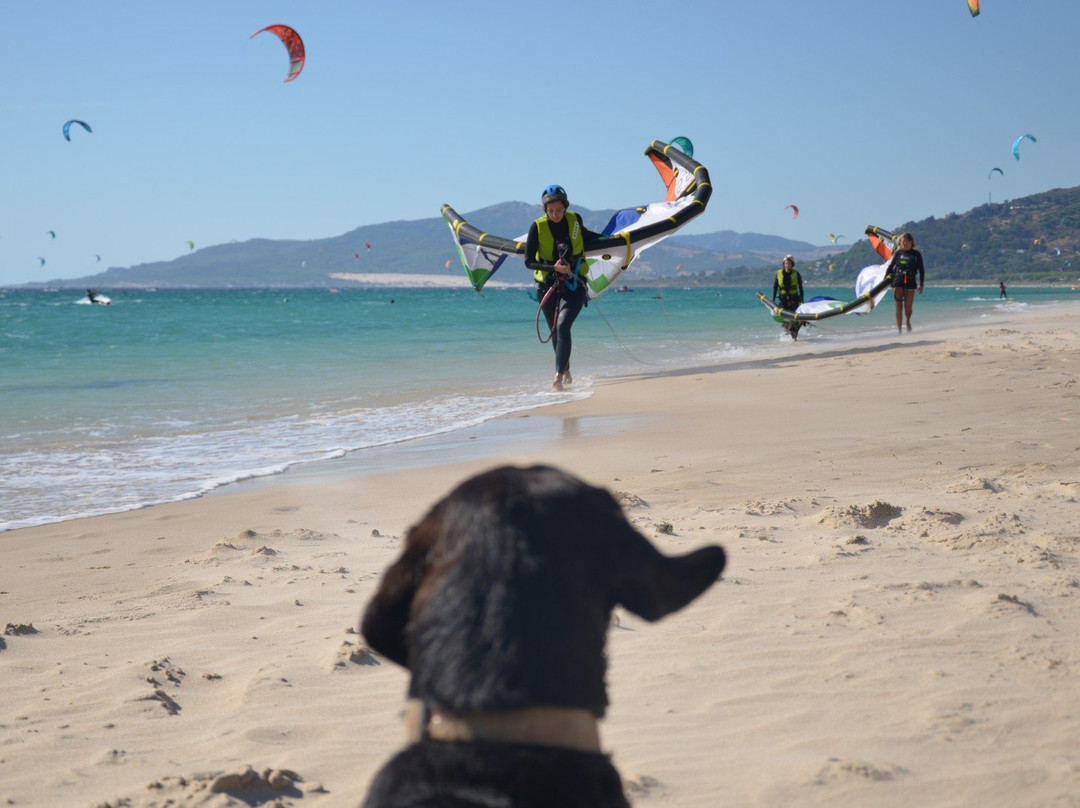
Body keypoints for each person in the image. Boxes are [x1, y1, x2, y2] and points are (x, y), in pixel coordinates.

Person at [524, 185, 600, 391]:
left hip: (574, 284)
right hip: (547, 285)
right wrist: (553, 267)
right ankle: (566, 370)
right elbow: (528, 261)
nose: (555, 214)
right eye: (551, 211)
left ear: (565, 207)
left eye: (559, 210)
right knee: (555, 332)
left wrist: (614, 237)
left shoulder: (575, 220)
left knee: (563, 326)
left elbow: (586, 236)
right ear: (545, 210)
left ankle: (557, 376)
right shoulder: (537, 227)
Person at [885, 232, 925, 333]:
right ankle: (899, 330)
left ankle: (907, 320)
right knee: (898, 306)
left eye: (905, 242)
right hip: (898, 280)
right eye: (902, 242)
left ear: (911, 242)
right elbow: (891, 267)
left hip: (910, 281)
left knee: (908, 308)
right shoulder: (898, 253)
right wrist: (885, 279)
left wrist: (921, 284)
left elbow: (921, 270)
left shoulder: (916, 254)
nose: (903, 244)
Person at [771, 254, 805, 340]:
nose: (787, 265)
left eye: (789, 263)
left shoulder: (796, 274)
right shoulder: (778, 273)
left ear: (792, 264)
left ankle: (794, 332)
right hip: (783, 300)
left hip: (794, 299)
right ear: (784, 264)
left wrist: (802, 299)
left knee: (797, 318)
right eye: (786, 263)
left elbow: (800, 288)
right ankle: (787, 336)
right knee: (786, 320)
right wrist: (773, 299)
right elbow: (775, 287)